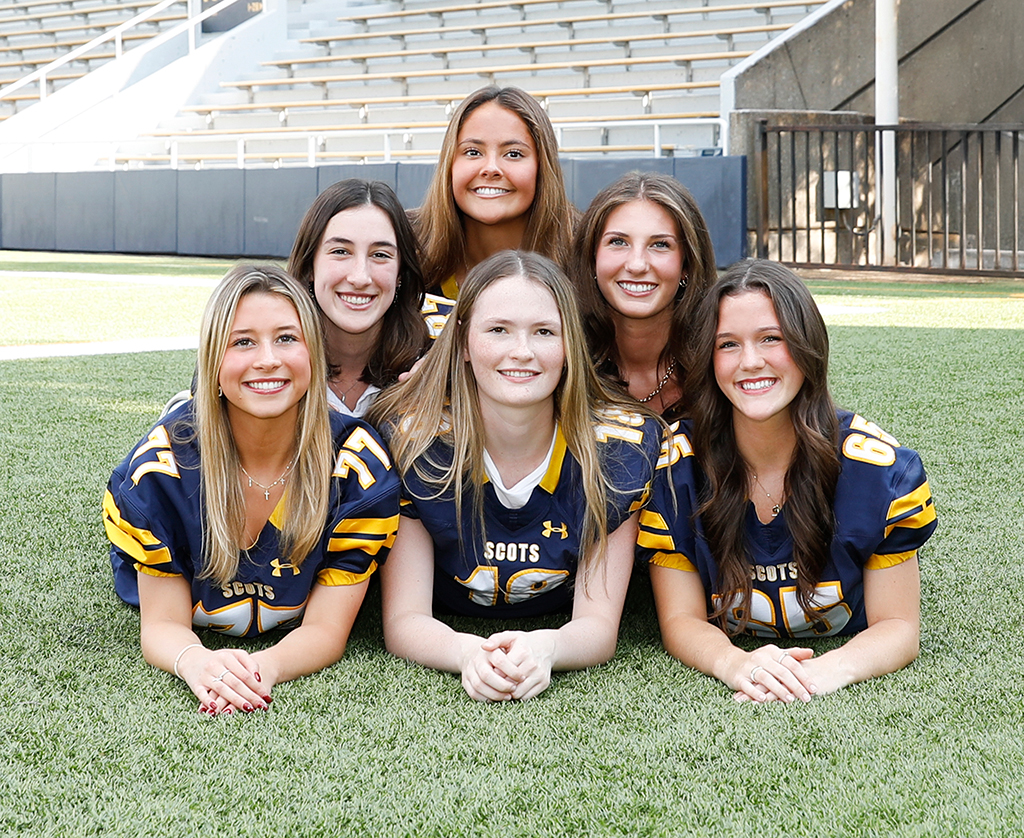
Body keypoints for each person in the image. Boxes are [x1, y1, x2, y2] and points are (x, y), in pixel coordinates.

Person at [104, 265, 400, 715]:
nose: (268, 359)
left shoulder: (357, 469)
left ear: (314, 354)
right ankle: (194, 413)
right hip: (192, 456)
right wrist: (198, 664)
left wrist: (262, 669)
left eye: (287, 338)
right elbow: (162, 624)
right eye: (243, 342)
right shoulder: (158, 475)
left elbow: (325, 629)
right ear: (212, 359)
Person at [367, 250, 661, 702]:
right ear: (463, 343)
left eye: (544, 332)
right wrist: (465, 652)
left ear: (569, 345)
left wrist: (548, 646)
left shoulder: (618, 451)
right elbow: (406, 620)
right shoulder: (415, 442)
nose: (521, 352)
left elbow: (596, 627)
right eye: (498, 330)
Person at [637, 259, 937, 701]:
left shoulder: (879, 472)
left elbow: (898, 627)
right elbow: (682, 620)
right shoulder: (676, 466)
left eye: (771, 339)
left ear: (806, 345)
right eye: (728, 345)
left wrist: (823, 673)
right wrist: (735, 663)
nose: (751, 362)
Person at [287, 178, 453, 417]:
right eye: (341, 252)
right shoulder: (274, 352)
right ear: (310, 266)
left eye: (380, 255)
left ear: (400, 273)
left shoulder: (449, 341)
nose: (360, 277)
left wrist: (460, 379)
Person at [569, 171, 716, 419]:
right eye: (618, 242)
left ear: (687, 266)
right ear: (592, 258)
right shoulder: (564, 363)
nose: (637, 265)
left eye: (660, 245)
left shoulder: (719, 363)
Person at [415, 85, 576, 298]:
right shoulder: (404, 248)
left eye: (514, 154)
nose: (491, 168)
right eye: (473, 152)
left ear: (542, 167)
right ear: (450, 164)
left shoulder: (587, 255)